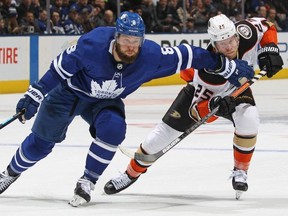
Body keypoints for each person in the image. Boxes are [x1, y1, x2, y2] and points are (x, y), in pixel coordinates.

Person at [0, 11, 253, 207]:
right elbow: (58, 68)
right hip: (68, 94)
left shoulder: (151, 55)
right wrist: (35, 94)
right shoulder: (92, 45)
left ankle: (87, 181)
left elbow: (189, 54)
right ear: (116, 37)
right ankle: (9, 173)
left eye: (136, 41)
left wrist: (225, 66)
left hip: (103, 101)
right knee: (40, 144)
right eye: (126, 40)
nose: (131, 46)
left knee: (113, 129)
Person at [104, 14, 283, 199]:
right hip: (203, 95)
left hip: (237, 89)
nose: (228, 46)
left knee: (249, 118)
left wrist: (270, 49)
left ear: (236, 35)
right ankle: (129, 174)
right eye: (222, 44)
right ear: (214, 44)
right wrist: (215, 105)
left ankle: (241, 171)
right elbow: (197, 112)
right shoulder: (207, 72)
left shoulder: (246, 33)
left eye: (231, 40)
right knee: (157, 139)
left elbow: (267, 25)